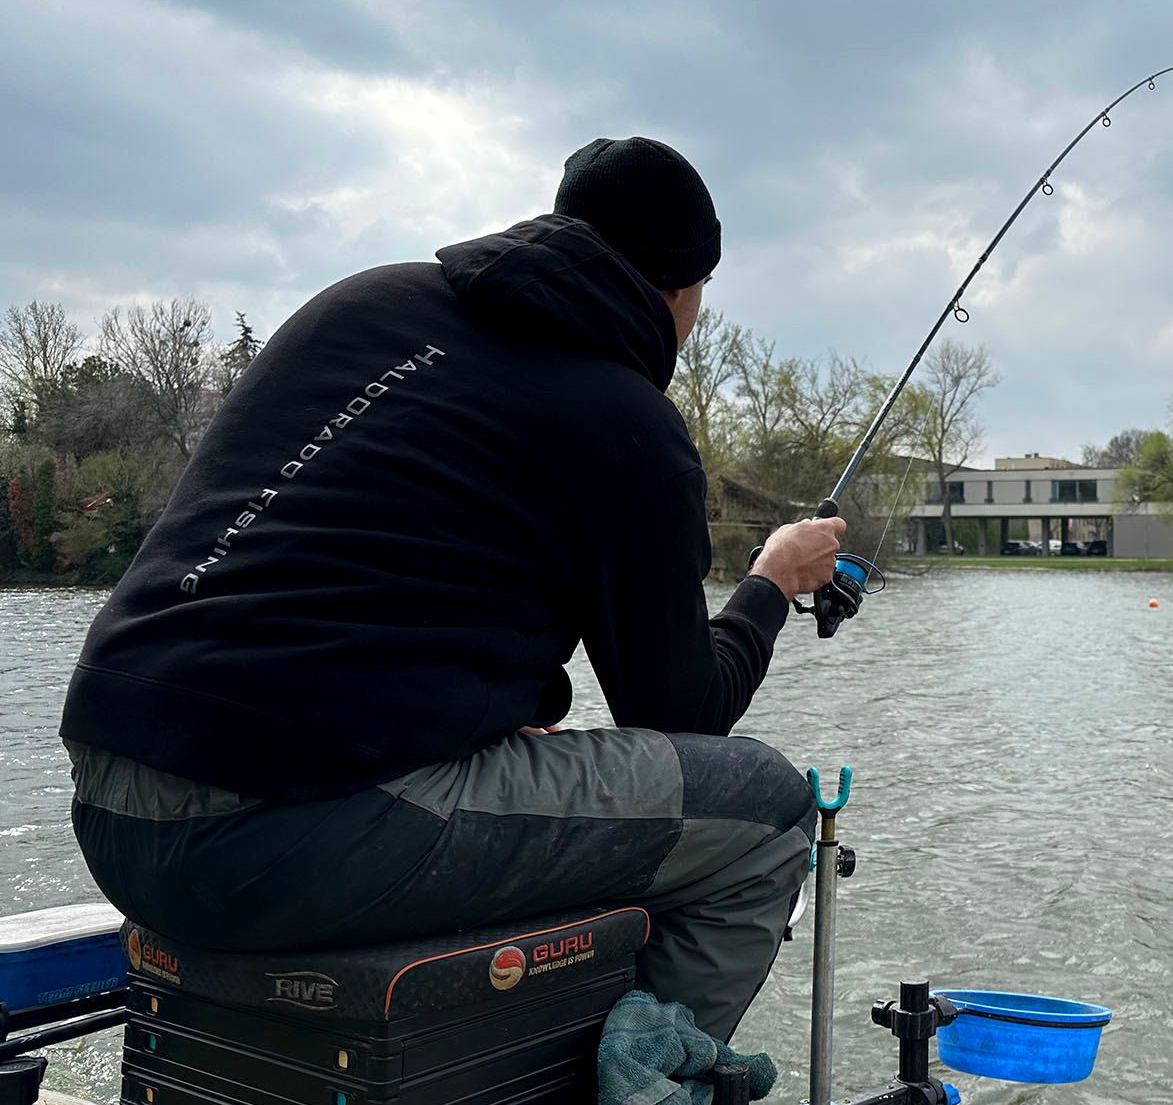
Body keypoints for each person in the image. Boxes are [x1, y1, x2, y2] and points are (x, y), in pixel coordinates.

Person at [60, 136, 843, 1042]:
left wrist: (461, 712)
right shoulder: (624, 417)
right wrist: (771, 584)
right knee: (766, 808)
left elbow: (329, 583)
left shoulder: (360, 305)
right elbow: (681, 712)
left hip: (109, 807)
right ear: (682, 288)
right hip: (276, 842)